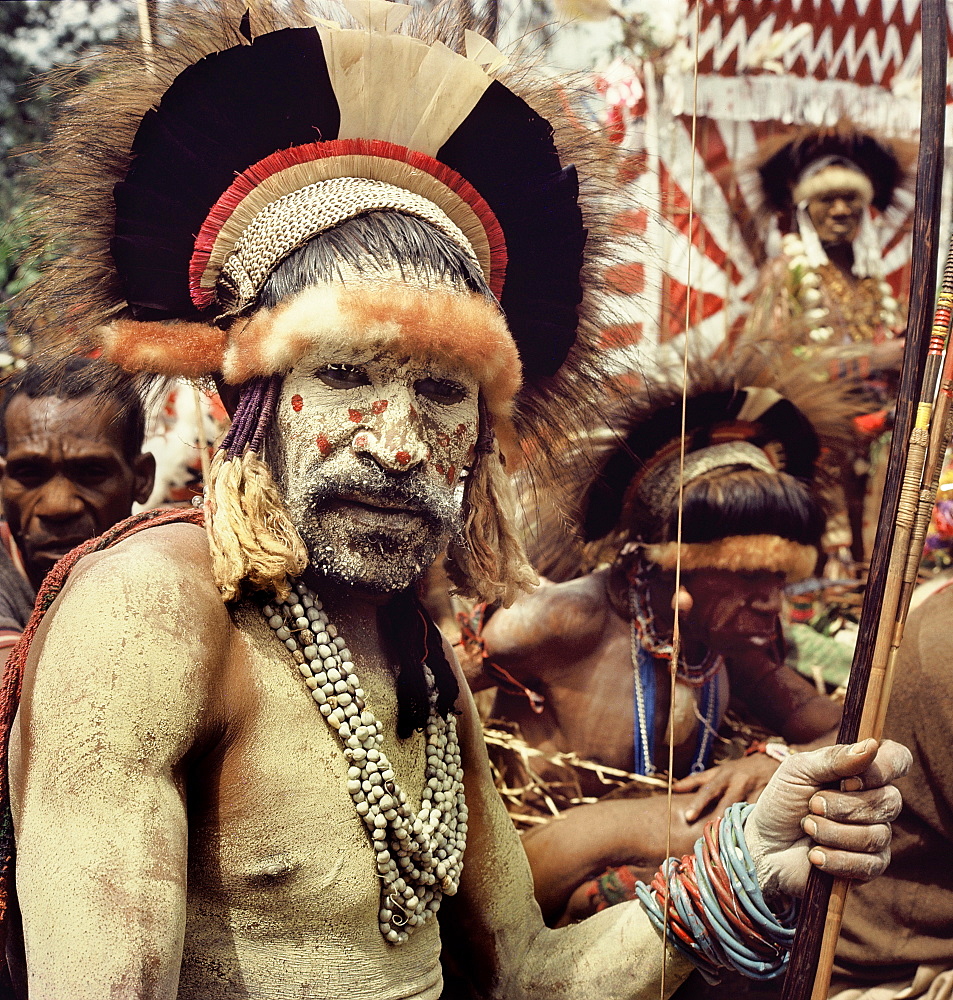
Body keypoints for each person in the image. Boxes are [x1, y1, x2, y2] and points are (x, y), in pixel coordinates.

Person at [2, 5, 909, 997]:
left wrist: (748, 860)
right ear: (248, 397)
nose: (397, 445)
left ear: (478, 434)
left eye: (441, 394)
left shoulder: (413, 650)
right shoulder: (153, 611)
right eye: (345, 375)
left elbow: (529, 975)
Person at [479, 355, 853, 924]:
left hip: (664, 862)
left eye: (780, 579)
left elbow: (838, 732)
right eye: (750, 576)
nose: (771, 604)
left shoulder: (729, 645)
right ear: (676, 567)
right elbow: (432, 706)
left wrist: (772, 763)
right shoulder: (569, 620)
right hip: (542, 870)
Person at [736, 124, 913, 563]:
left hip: (880, 443)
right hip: (818, 445)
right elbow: (768, 363)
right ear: (804, 208)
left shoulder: (874, 282)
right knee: (827, 566)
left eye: (851, 199)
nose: (840, 210)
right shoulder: (787, 274)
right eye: (826, 200)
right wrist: (870, 359)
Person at [0, 356, 155, 658]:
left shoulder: (173, 565)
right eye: (30, 473)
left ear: (142, 479)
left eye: (91, 472)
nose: (58, 506)